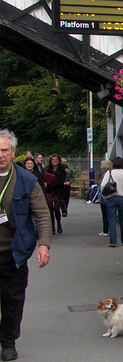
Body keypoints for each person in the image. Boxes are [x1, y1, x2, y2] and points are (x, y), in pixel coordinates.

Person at [0, 129, 51, 362]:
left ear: (13, 152)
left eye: (4, 150)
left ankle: (8, 341)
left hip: (13, 253)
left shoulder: (27, 180)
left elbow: (42, 214)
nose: (0, 155)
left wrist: (44, 245)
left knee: (13, 299)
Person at [102, 157, 123, 247]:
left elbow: (103, 185)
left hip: (111, 198)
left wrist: (104, 196)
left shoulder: (109, 172)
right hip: (122, 198)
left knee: (112, 220)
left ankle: (113, 242)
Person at [42, 167, 63, 235]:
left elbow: (60, 183)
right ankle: (52, 227)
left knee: (57, 209)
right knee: (50, 210)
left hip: (57, 192)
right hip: (48, 192)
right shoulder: (47, 171)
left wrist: (49, 184)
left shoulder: (61, 170)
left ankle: (59, 225)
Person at [95, 160, 112, 236]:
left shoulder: (104, 174)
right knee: (111, 214)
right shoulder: (113, 173)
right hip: (111, 196)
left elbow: (101, 186)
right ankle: (111, 229)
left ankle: (105, 230)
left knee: (105, 214)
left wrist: (98, 189)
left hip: (104, 196)